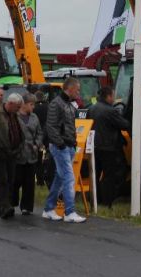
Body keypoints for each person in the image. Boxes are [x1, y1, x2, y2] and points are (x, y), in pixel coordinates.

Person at [42, 77, 87, 223]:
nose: (79, 92)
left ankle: (49, 208)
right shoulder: (57, 103)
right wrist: (60, 144)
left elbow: (67, 125)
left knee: (60, 178)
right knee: (68, 178)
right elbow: (51, 126)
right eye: (78, 89)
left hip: (67, 145)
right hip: (61, 146)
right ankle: (69, 212)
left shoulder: (68, 104)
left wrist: (71, 143)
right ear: (70, 88)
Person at [87, 86, 130, 208]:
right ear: (109, 96)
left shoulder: (92, 108)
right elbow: (124, 124)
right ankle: (107, 201)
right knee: (109, 175)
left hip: (94, 146)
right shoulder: (110, 111)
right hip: (108, 147)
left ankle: (95, 199)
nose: (114, 99)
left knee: (95, 173)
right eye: (113, 96)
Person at [14, 94, 44, 215]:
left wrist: (37, 144)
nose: (33, 107)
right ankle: (12, 202)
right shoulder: (15, 116)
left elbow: (40, 132)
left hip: (31, 154)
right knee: (16, 180)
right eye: (31, 104)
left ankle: (27, 206)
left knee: (29, 182)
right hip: (18, 154)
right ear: (24, 104)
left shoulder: (34, 117)